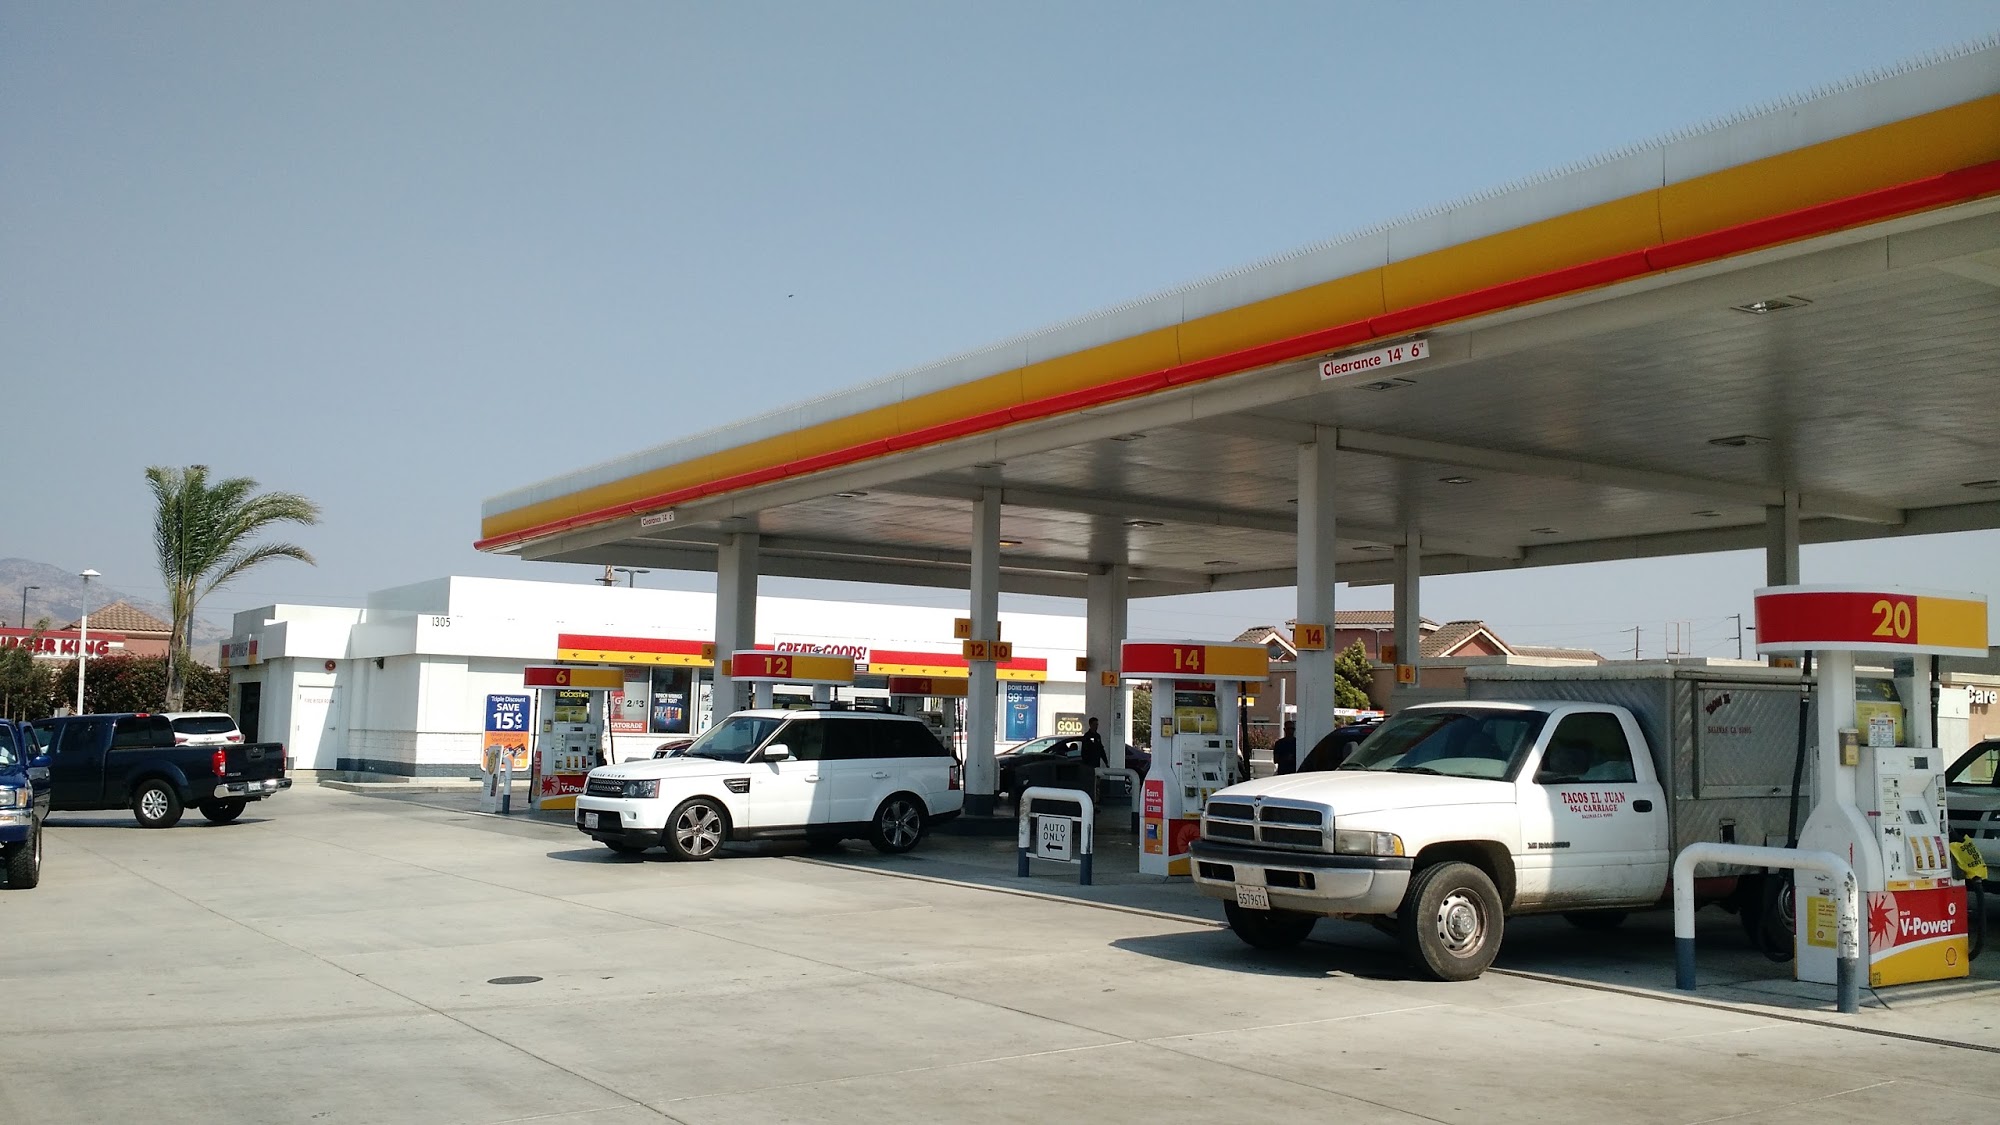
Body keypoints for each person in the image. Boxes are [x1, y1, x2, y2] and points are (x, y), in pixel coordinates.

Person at [1081, 717, 1109, 801]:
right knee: (1090, 783)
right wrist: (1085, 763)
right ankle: (1090, 799)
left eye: (1097, 725)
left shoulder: (1097, 736)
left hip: (1097, 763)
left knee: (1097, 782)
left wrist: (1106, 761)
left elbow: (1101, 750)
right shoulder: (1087, 736)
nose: (1096, 726)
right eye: (1094, 724)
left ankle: (1096, 800)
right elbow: (1084, 751)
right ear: (1090, 725)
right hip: (1089, 765)